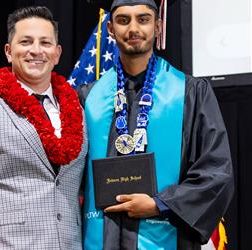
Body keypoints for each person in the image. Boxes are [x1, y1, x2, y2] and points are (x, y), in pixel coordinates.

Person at [78, 0, 234, 249]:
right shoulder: (88, 97)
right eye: (123, 20)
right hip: (101, 237)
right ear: (109, 29)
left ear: (158, 27)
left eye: (143, 19)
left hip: (167, 235)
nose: (133, 28)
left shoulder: (190, 93)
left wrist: (160, 205)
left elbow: (216, 172)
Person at [0, 6, 87, 250]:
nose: (36, 50)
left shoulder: (78, 111)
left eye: (45, 42)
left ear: (57, 53)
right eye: (26, 41)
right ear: (9, 52)